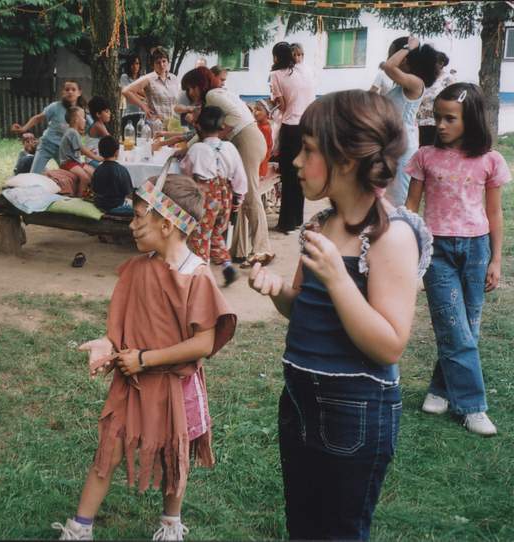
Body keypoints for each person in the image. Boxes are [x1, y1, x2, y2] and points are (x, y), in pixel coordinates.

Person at [248, 90, 432, 540]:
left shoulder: (390, 236)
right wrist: (278, 292)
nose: (295, 160)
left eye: (309, 150)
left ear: (346, 160)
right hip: (299, 400)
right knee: (303, 526)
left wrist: (338, 277)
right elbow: (303, 309)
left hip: (355, 411)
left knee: (338, 532)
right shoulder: (321, 225)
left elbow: (389, 344)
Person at [52, 174, 236, 541]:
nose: (132, 225)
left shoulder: (196, 276)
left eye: (139, 217)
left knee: (173, 455)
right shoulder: (138, 269)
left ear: (167, 224)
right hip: (131, 383)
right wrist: (107, 344)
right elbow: (122, 326)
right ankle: (80, 528)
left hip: (173, 387)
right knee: (109, 449)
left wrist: (146, 359)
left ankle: (170, 525)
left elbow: (203, 343)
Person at [405, 83, 510, 436]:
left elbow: (495, 213)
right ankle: (472, 407)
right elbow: (411, 207)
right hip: (437, 252)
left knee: (468, 327)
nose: (441, 124)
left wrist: (496, 260)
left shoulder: (490, 160)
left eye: (450, 118)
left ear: (472, 119)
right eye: (437, 117)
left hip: (477, 250)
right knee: (453, 326)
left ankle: (440, 388)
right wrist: (404, 246)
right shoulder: (425, 157)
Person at [181, 66, 274, 266]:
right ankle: (239, 250)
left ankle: (262, 249)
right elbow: (206, 133)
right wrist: (186, 147)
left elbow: (235, 118)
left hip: (246, 139)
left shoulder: (213, 95)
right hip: (247, 139)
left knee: (250, 196)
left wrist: (218, 138)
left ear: (199, 85)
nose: (190, 93)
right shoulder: (216, 96)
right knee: (238, 196)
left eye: (191, 88)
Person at [180, 106, 246, 286]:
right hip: (226, 195)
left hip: (205, 196)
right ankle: (227, 266)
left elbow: (185, 171)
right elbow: (239, 176)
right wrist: (238, 198)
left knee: (200, 235)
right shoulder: (230, 147)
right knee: (215, 232)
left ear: (199, 127)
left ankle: (202, 276)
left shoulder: (196, 149)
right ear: (222, 127)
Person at [381, 35, 439, 206]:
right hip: (393, 143)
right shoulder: (401, 87)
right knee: (388, 196)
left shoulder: (416, 83)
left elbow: (388, 66)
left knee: (399, 198)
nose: (389, 59)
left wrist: (408, 47)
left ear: (404, 58)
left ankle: (403, 223)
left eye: (392, 54)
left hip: (404, 146)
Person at [270, 41, 316, 234]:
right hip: (308, 126)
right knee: (300, 174)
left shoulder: (276, 75)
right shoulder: (305, 70)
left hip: (290, 127)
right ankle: (297, 218)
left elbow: (281, 105)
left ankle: (286, 222)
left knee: (288, 176)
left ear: (275, 57)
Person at [11, 80, 91, 174]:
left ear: (79, 93)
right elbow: (38, 118)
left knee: (72, 175)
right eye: (67, 89)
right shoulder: (55, 107)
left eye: (73, 89)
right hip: (46, 144)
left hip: (64, 150)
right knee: (34, 174)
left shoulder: (82, 111)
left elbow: (92, 127)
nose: (70, 92)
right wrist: (23, 128)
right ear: (63, 92)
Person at [122, 47, 180, 129]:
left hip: (173, 125)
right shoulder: (148, 78)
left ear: (168, 62)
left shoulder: (174, 78)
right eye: (158, 62)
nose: (162, 65)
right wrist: (143, 106)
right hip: (156, 125)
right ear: (153, 65)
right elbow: (126, 91)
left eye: (164, 61)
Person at [59, 106, 102, 196]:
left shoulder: (74, 132)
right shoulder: (72, 132)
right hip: (68, 163)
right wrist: (97, 157)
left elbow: (78, 150)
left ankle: (91, 194)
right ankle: (80, 198)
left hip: (75, 162)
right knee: (85, 178)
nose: (85, 120)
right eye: (83, 118)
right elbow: (82, 149)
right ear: (76, 120)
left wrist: (89, 151)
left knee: (93, 172)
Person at [416, 51, 456, 146]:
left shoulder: (449, 79)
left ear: (441, 64)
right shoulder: (423, 78)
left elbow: (453, 100)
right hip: (420, 123)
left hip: (437, 124)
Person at [91, 136, 133, 215]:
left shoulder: (97, 169)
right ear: (116, 152)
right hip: (117, 207)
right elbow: (128, 192)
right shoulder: (122, 170)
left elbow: (94, 189)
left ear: (100, 152)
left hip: (99, 205)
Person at [120, 54, 145, 136]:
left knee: (141, 139)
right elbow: (128, 94)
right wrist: (141, 96)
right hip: (128, 114)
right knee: (128, 140)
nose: (135, 66)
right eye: (132, 64)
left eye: (137, 63)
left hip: (141, 114)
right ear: (129, 65)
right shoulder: (124, 77)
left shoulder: (143, 78)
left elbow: (147, 94)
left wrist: (133, 91)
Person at [251, 100, 273, 179]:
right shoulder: (258, 125)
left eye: (258, 109)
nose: (255, 112)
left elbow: (263, 150)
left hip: (259, 165)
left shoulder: (265, 129)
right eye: (254, 109)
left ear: (267, 113)